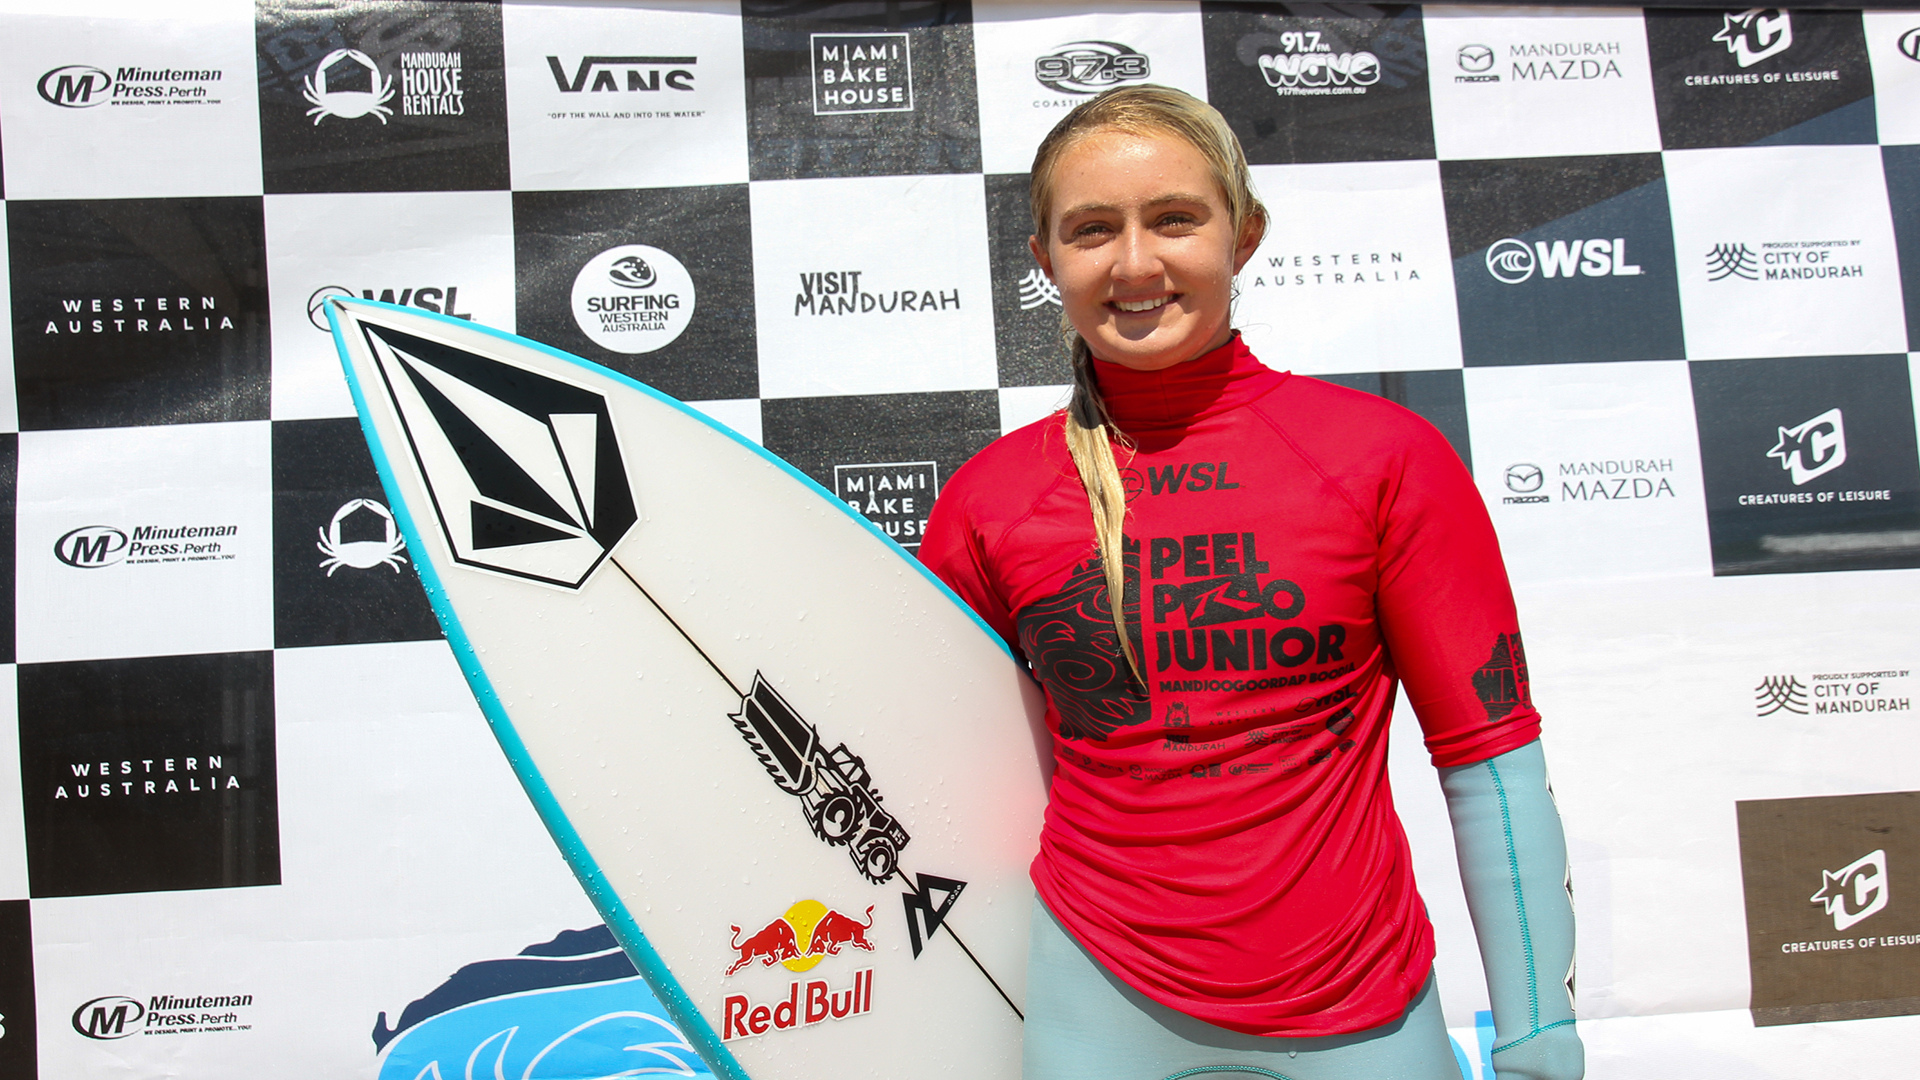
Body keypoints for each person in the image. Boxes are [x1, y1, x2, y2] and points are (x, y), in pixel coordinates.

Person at [920, 86, 1584, 1080]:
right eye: (1093, 229)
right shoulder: (990, 501)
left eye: (1175, 219)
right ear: (1045, 260)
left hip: (1360, 1008)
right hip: (1093, 1008)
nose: (1135, 263)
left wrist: (1539, 1040)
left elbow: (1490, 768)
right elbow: (930, 792)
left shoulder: (1381, 461)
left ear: (1246, 234)